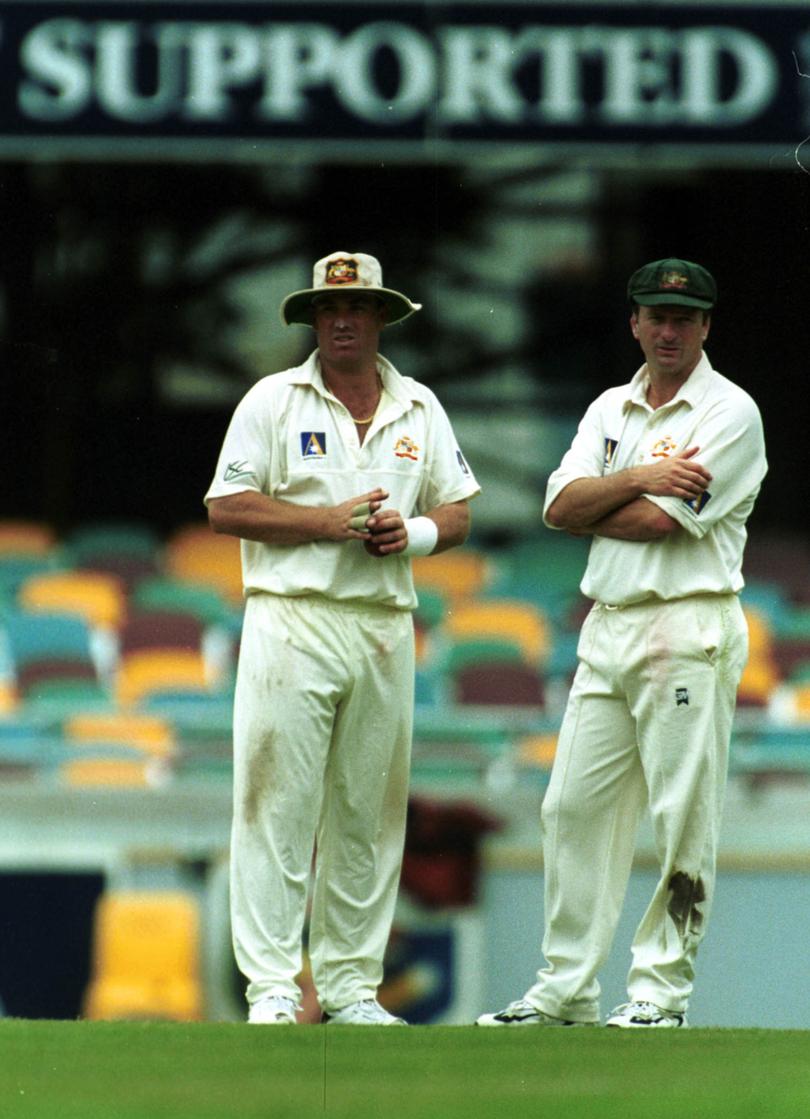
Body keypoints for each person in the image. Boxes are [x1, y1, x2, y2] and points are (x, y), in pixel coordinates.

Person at [477, 258, 767, 1029]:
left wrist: (605, 499)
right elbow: (554, 505)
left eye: (684, 318)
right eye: (655, 316)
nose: (668, 330)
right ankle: (567, 988)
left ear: (706, 326)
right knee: (570, 805)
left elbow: (655, 524)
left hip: (689, 620)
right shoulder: (612, 407)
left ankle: (659, 993)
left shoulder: (731, 414)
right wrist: (644, 473)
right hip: (609, 621)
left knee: (680, 814)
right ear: (634, 322)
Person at [205, 250, 480, 1026]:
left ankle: (353, 987)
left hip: (384, 625)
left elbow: (457, 511)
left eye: (357, 308)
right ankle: (269, 989)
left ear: (382, 315)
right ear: (314, 320)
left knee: (369, 809)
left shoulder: (419, 407)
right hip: (292, 617)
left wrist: (414, 532)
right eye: (330, 310)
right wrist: (326, 523)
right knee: (276, 805)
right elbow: (226, 506)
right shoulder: (272, 399)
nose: (344, 320)